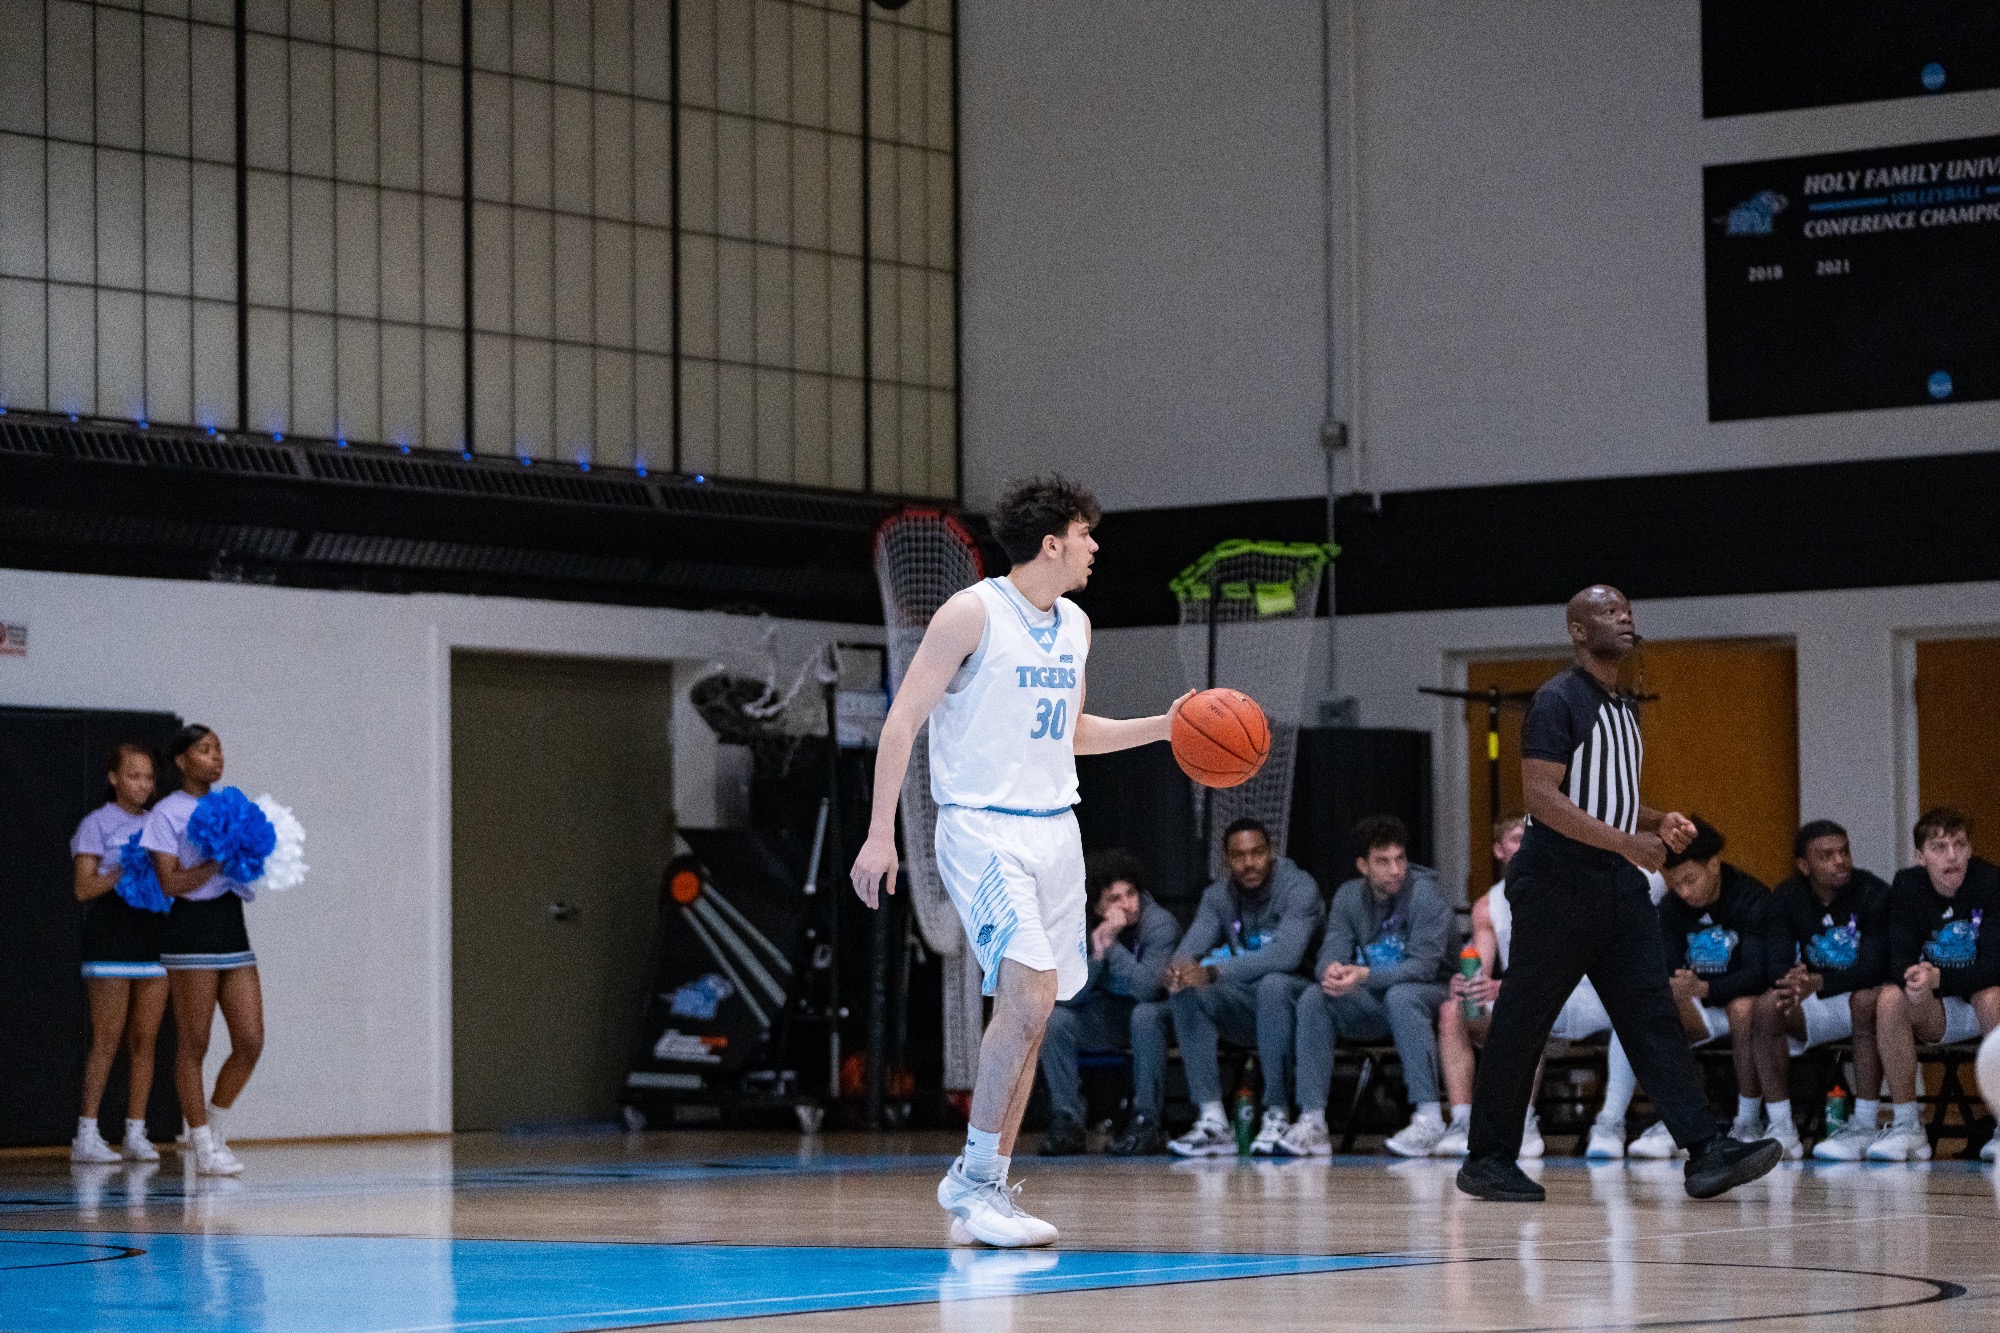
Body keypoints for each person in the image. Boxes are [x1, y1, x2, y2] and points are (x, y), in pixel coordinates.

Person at [848, 475, 1189, 1248]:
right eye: (1086, 533)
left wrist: (1162, 728)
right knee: (1030, 997)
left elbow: (1069, 731)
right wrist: (879, 833)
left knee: (1035, 1015)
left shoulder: (1075, 623)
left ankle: (989, 1184)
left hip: (1054, 832)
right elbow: (902, 722)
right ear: (1051, 542)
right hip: (981, 829)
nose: (1095, 547)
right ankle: (972, 1182)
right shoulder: (970, 613)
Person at [1457, 585, 1781, 1203]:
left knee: (1650, 1013)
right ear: (1579, 632)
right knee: (1524, 1019)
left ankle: (1706, 1150)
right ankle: (1488, 1157)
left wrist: (1654, 822)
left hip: (1612, 885)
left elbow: (1605, 799)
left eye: (1626, 609)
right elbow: (1543, 801)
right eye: (1607, 612)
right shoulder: (1559, 698)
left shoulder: (1622, 706)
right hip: (1556, 882)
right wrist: (1630, 845)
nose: (1624, 617)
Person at [1435, 815, 1618, 1159]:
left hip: (1580, 998)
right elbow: (1482, 967)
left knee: (1524, 1005)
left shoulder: (1566, 890)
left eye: (1530, 839)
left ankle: (1523, 1121)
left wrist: (1504, 989)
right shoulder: (1488, 905)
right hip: (1525, 998)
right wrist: (1468, 985)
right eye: (1517, 839)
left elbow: (1561, 967)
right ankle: (1461, 1121)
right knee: (1451, 1010)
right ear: (1499, 850)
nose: (1525, 846)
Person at [1280, 814, 1454, 1157]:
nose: (1395, 870)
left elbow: (1423, 967)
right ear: (1363, 865)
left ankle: (1430, 1119)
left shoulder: (1426, 895)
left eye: (1400, 859)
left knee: (1402, 996)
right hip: (1380, 998)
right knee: (1317, 996)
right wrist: (1331, 971)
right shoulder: (1347, 897)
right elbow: (1333, 948)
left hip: (1433, 993)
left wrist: (1362, 976)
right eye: (1383, 861)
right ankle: (1313, 1121)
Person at [143, 724, 266, 1178]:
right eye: (205, 750)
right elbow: (170, 882)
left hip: (232, 927)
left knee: (250, 1040)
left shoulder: (227, 805)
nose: (216, 758)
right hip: (190, 932)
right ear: (181, 761)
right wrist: (214, 859)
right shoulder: (166, 813)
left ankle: (215, 1130)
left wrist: (247, 854)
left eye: (219, 750)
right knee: (194, 1042)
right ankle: (198, 1142)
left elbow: (247, 867)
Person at [1162, 818, 1324, 1158]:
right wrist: (1178, 971)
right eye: (1239, 856)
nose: (1249, 863)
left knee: (1273, 984)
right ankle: (1213, 1121)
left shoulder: (1298, 887)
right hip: (1245, 1003)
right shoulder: (1217, 896)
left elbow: (1287, 956)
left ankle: (1277, 1114)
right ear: (1226, 860)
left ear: (1272, 852)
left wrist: (1214, 971)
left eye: (1257, 853)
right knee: (1187, 990)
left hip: (1300, 1000)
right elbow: (1189, 949)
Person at [1622, 819, 1778, 1156]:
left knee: (1744, 1006)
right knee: (1644, 1011)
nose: (1685, 892)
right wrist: (1679, 987)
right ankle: (1669, 1118)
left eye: (1691, 880)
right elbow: (1667, 969)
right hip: (1697, 1007)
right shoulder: (1670, 908)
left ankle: (1747, 1119)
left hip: (1740, 1005)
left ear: (1714, 864)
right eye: (1676, 885)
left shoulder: (1752, 898)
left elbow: (1759, 973)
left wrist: (1705, 988)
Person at [1867, 807, 2000, 1162]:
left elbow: (1996, 965)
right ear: (1920, 856)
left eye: (1959, 844)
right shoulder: (1908, 886)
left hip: (1983, 1001)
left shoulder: (1990, 883)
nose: (1952, 855)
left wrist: (1943, 978)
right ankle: (1908, 1127)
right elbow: (1896, 959)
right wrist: (1915, 979)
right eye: (1940, 847)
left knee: (1993, 997)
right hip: (1939, 1007)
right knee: (1891, 998)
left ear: (1971, 849)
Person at [1756, 820, 1891, 1162]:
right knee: (1769, 1005)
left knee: (1867, 1001)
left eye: (1844, 851)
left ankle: (1864, 1123)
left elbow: (1876, 965)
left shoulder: (1873, 892)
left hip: (1865, 1000)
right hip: (1817, 1002)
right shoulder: (1786, 898)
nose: (1840, 861)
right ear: (1804, 865)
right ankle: (1782, 1127)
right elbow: (1775, 964)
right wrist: (1793, 983)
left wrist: (1821, 982)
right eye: (1826, 855)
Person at [1036, 849, 1180, 1156]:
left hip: (1162, 1014)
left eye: (1131, 894)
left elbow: (1146, 990)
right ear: (1097, 905)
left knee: (1144, 1014)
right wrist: (1098, 956)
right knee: (1054, 1020)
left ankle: (1147, 1120)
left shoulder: (1160, 924)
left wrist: (1112, 945)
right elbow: (1069, 996)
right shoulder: (1082, 927)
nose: (1126, 905)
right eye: (1114, 899)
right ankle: (1069, 1121)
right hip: (1112, 1014)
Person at [67, 743, 170, 1165]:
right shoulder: (96, 824)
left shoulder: (159, 824)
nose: (143, 784)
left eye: (148, 777)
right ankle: (86, 1136)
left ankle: (135, 1132)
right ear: (114, 778)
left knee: (145, 1042)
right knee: (107, 1039)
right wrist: (124, 870)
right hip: (110, 936)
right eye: (134, 776)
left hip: (152, 939)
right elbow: (82, 888)